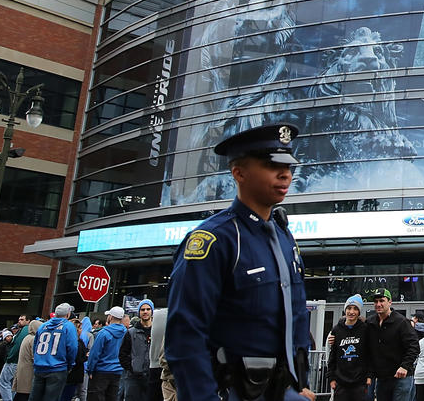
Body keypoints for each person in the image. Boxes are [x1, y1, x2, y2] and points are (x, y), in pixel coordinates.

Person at [164, 123, 315, 401]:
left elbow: (296, 316)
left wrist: (300, 383)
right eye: (272, 166)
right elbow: (185, 335)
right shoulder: (215, 239)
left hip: (284, 392)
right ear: (239, 172)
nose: (285, 175)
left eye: (289, 167)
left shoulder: (283, 236)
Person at [364, 290, 419, 401]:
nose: (378, 304)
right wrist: (334, 337)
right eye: (376, 301)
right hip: (382, 378)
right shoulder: (370, 323)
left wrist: (404, 366)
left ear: (390, 302)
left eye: (381, 301)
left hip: (401, 377)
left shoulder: (401, 322)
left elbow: (414, 346)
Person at [328, 295, 372, 401]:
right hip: (341, 382)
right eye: (349, 308)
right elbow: (332, 356)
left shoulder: (365, 329)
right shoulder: (336, 329)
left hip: (360, 381)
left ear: (359, 312)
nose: (351, 312)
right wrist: (331, 378)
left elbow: (369, 354)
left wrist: (369, 376)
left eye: (355, 309)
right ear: (345, 310)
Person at [32, 304, 79, 401]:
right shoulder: (68, 326)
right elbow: (73, 347)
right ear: (68, 314)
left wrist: (37, 360)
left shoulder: (43, 326)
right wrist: (70, 364)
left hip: (40, 366)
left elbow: (35, 346)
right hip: (57, 367)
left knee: (35, 397)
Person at [86, 308, 126, 401]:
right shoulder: (126, 333)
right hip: (118, 372)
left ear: (110, 317)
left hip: (101, 371)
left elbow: (95, 353)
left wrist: (90, 369)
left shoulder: (103, 333)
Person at [120, 300, 153, 401]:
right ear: (139, 312)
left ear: (152, 311)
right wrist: (131, 368)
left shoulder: (157, 331)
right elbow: (123, 354)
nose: (145, 312)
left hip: (152, 376)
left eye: (148, 309)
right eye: (142, 309)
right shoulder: (130, 333)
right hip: (134, 377)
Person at [1, 315, 32, 401]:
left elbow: (17, 346)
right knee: (12, 385)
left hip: (13, 361)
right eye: (19, 319)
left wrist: (9, 358)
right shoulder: (24, 331)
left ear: (28, 321)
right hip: (19, 362)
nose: (19, 321)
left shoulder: (25, 330)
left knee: (3, 383)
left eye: (22, 319)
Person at [15, 320, 42, 401]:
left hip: (22, 370)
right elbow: (35, 357)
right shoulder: (34, 339)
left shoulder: (27, 337)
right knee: (25, 394)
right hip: (29, 371)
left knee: (20, 394)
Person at [60, 320, 88, 401]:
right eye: (79, 328)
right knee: (67, 395)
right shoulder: (75, 343)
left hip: (72, 374)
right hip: (72, 374)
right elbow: (78, 358)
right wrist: (86, 356)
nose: (81, 330)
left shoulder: (78, 341)